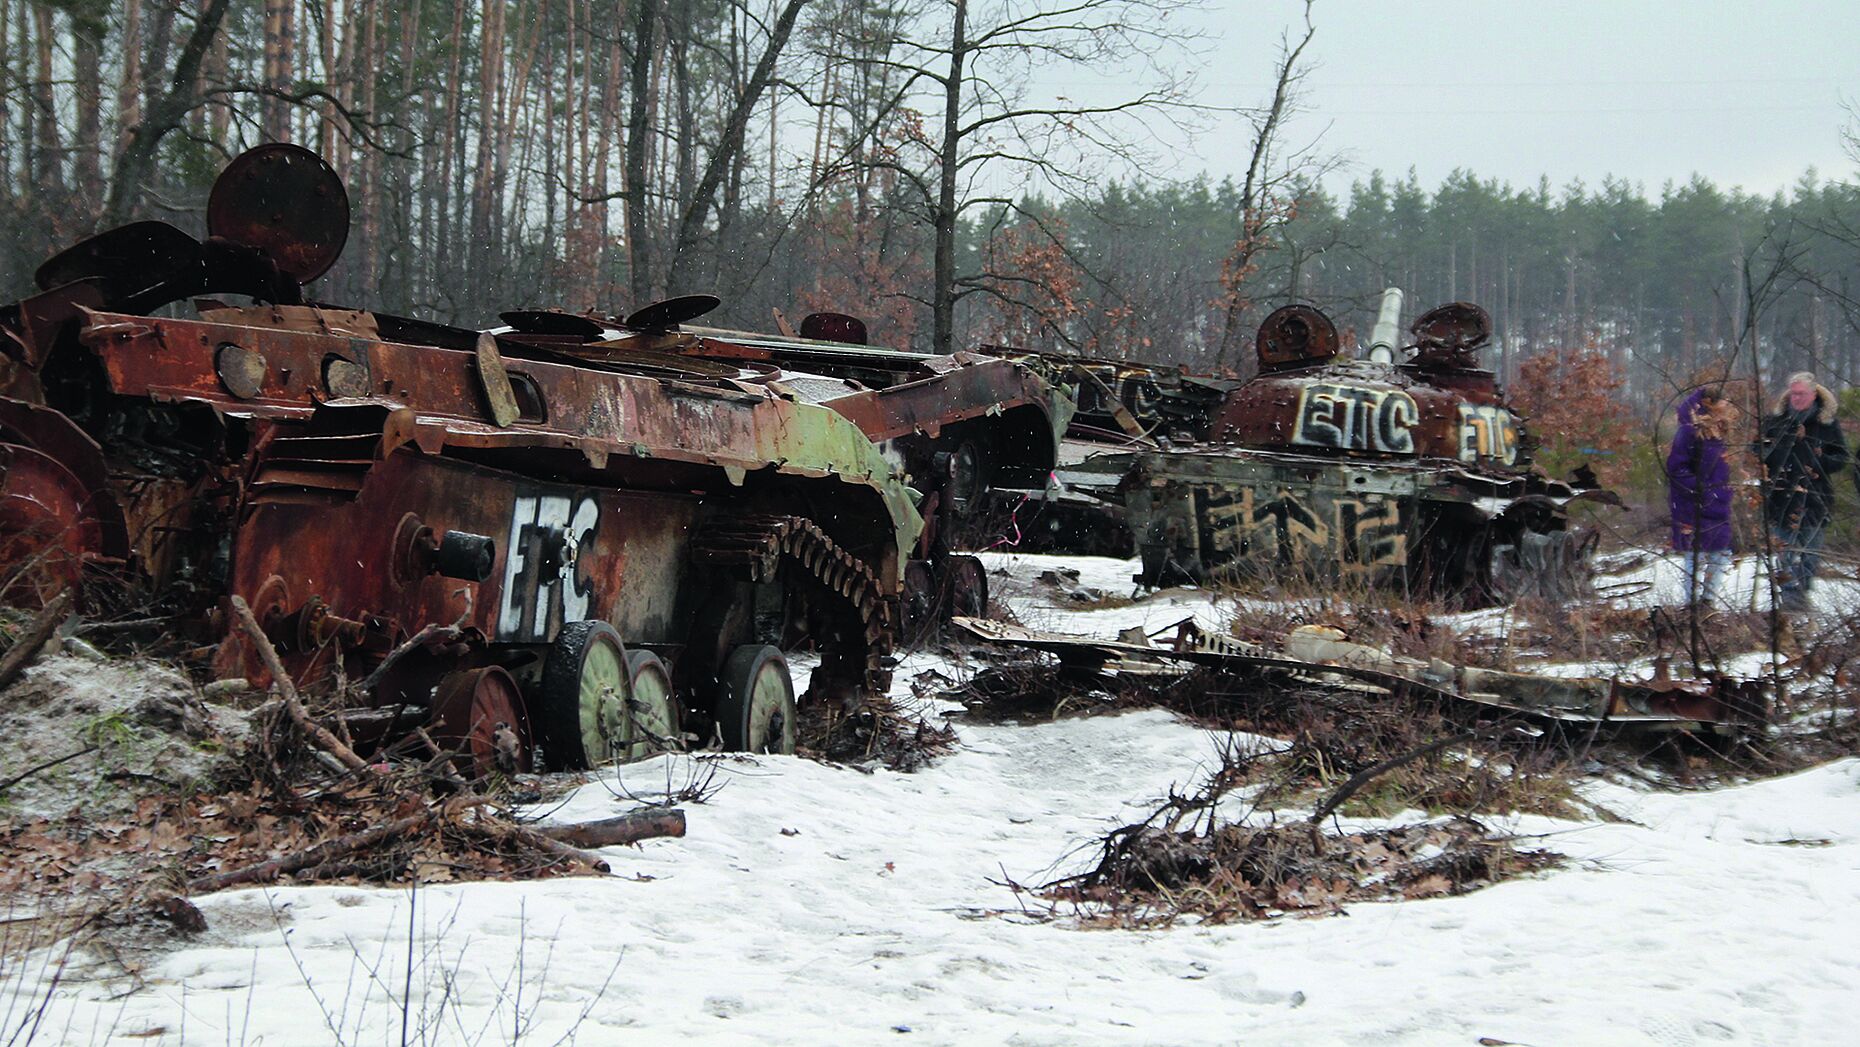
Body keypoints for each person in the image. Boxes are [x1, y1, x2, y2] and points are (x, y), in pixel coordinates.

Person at [1753, 372, 1849, 611]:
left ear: (1813, 394)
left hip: (1816, 500)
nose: (1796, 398)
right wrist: (1769, 458)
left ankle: (1800, 597)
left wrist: (1820, 460)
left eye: (1801, 394)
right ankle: (1791, 602)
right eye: (1793, 393)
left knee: (1809, 556)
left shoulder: (1826, 424)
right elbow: (1755, 451)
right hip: (1779, 498)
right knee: (1785, 554)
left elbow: (1842, 458)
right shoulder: (1775, 421)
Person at [1667, 388, 1735, 607]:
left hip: (1719, 504)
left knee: (1720, 554)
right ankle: (1692, 605)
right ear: (1710, 405)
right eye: (1724, 402)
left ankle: (1708, 603)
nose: (1728, 406)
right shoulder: (1689, 432)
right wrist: (1701, 491)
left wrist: (1725, 491)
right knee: (1695, 556)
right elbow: (1676, 469)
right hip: (1694, 504)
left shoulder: (1721, 434)